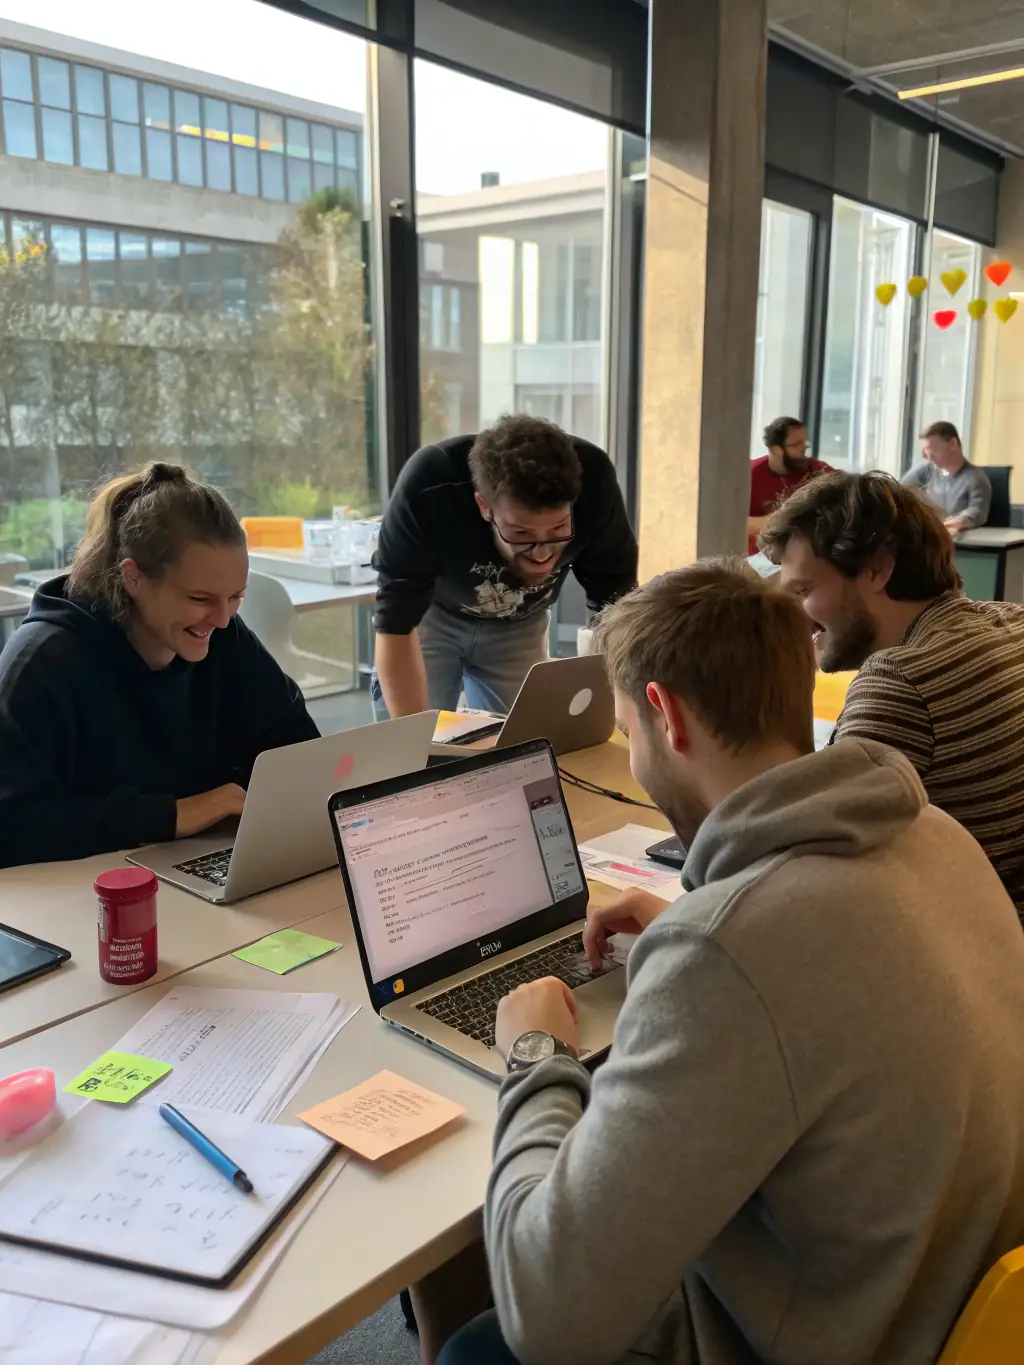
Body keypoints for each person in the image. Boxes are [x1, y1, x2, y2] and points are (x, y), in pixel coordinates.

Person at [435, 560, 1024, 1365]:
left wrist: (537, 1054)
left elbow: (550, 1318)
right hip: (956, 1304)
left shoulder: (731, 950)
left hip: (853, 1334)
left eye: (626, 732)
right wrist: (696, 932)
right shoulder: (938, 837)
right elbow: (817, 970)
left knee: (480, 1350)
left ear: (664, 715)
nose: (633, 755)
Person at [0, 462, 318, 868]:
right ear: (133, 578)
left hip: (192, 868)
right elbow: (9, 824)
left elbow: (299, 751)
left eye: (236, 596)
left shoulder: (223, 638)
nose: (222, 619)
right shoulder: (44, 662)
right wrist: (171, 815)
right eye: (200, 599)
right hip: (76, 899)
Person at [760, 469, 1024, 917]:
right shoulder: (1012, 620)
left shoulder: (901, 678)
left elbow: (804, 870)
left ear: (878, 569)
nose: (795, 618)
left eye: (804, 591)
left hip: (973, 958)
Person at [372, 414, 638, 717]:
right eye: (522, 534)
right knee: (414, 744)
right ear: (484, 506)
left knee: (530, 745)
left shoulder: (594, 481)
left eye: (558, 529)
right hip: (430, 618)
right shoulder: (430, 485)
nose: (541, 554)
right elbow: (395, 623)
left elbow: (617, 605)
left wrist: (623, 710)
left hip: (521, 621)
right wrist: (413, 746)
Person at [746, 415, 831, 554]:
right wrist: (782, 519)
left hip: (803, 556)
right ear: (776, 450)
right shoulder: (750, 473)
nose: (804, 449)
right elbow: (735, 523)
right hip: (759, 560)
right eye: (796, 445)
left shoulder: (818, 470)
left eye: (804, 443)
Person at [902, 420, 991, 532]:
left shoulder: (975, 478)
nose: (924, 455)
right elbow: (900, 489)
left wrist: (955, 522)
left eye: (929, 448)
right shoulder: (925, 470)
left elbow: (977, 511)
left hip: (955, 538)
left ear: (952, 444)